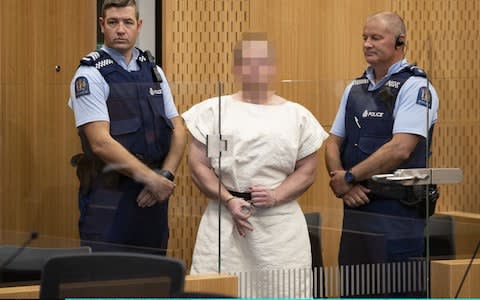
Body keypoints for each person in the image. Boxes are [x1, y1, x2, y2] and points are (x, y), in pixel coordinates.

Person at [182, 32, 329, 298]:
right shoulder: (214, 111)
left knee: (284, 292)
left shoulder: (297, 116)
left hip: (280, 229)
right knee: (217, 292)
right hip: (224, 219)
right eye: (248, 62)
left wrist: (275, 195)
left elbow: (308, 170)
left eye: (262, 62)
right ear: (237, 67)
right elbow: (199, 166)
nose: (255, 68)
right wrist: (229, 200)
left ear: (273, 67)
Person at [325, 11, 439, 297]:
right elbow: (332, 142)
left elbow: (401, 149)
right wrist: (343, 184)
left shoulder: (415, 86)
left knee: (395, 289)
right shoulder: (355, 88)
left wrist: (349, 177)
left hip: (396, 213)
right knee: (354, 289)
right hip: (356, 209)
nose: (367, 44)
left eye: (376, 37)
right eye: (364, 37)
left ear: (400, 41)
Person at [68, 0, 186, 254]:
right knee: (107, 282)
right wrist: (151, 180)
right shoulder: (90, 74)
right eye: (113, 22)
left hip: (152, 196)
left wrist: (164, 176)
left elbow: (178, 127)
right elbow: (100, 142)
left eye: (127, 22)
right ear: (102, 25)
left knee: (153, 281)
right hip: (109, 197)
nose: (120, 29)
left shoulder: (153, 70)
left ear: (139, 25)